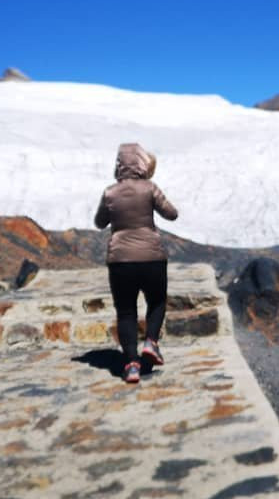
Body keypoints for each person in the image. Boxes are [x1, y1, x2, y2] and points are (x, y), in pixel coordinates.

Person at [94, 143, 178, 384]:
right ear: (142, 163)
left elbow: (100, 222)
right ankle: (151, 342)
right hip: (152, 257)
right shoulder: (150, 189)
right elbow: (171, 214)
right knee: (158, 301)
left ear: (119, 165)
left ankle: (131, 365)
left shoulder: (110, 193)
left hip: (120, 260)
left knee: (126, 311)